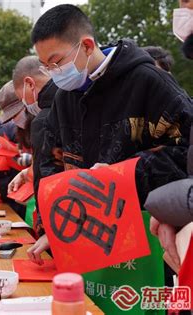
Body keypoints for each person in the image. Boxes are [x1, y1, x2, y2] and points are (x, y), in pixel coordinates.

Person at [26, 4, 192, 264]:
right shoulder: (64, 98)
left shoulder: (147, 82)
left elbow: (186, 152)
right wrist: (54, 231)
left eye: (57, 62)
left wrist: (124, 175)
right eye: (46, 66)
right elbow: (53, 165)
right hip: (86, 234)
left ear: (88, 46)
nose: (54, 73)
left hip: (147, 236)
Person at [7, 56, 58, 200]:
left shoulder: (43, 120)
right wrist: (27, 173)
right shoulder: (73, 99)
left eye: (22, 98)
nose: (26, 103)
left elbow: (45, 176)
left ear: (29, 84)